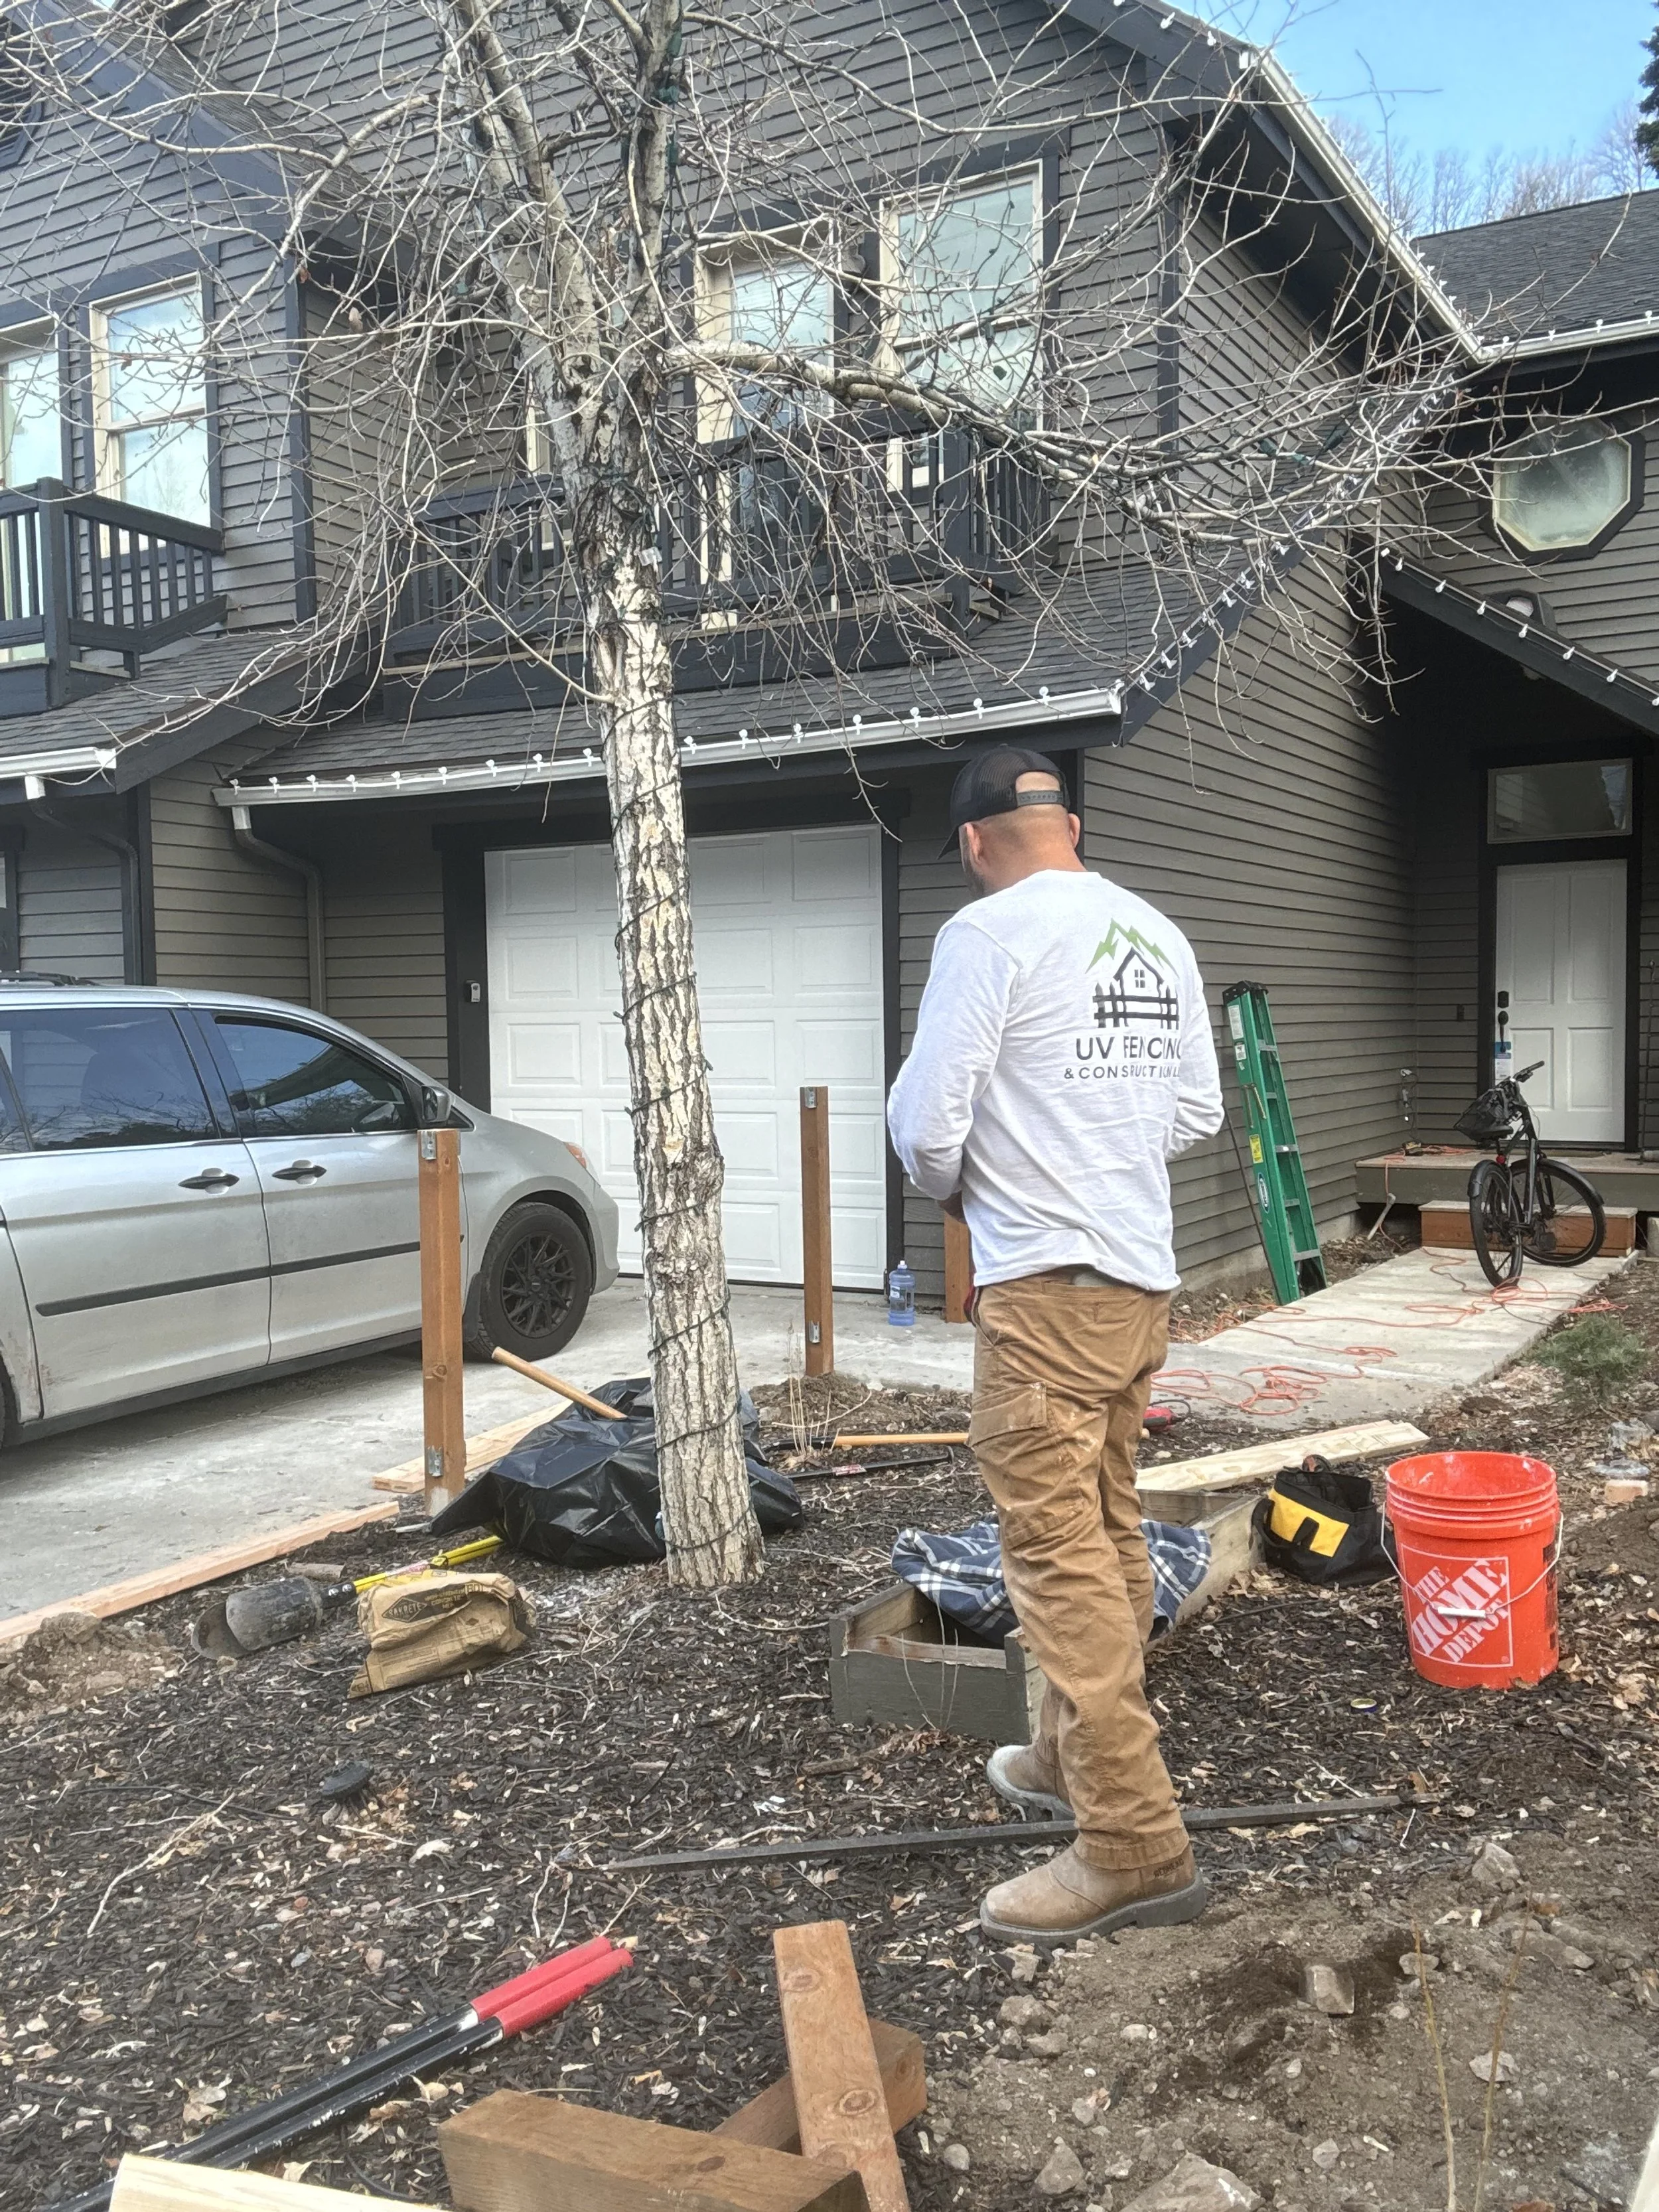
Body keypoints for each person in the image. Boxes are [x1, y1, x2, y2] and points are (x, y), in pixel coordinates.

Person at [887, 745, 1224, 1945]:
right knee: (1109, 1520)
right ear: (1070, 826)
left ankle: (1133, 1843)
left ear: (977, 842)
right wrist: (1097, 1144)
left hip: (1043, 1290)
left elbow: (930, 1130)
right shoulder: (1155, 931)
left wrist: (981, 1180)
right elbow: (1196, 1110)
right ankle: (1074, 1761)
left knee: (1054, 1552)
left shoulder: (986, 936)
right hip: (1137, 1281)